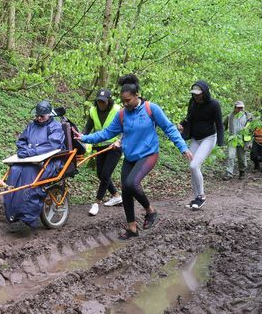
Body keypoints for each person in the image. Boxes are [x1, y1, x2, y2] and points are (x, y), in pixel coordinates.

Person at [75, 74, 193, 240]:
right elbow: (107, 133)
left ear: (137, 95)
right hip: (130, 156)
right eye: (123, 101)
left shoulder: (151, 109)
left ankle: (150, 211)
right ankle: (132, 228)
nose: (125, 104)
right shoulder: (123, 114)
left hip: (148, 154)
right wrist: (84, 137)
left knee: (131, 183)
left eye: (128, 100)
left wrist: (182, 147)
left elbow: (169, 128)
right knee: (126, 191)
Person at [3, 100, 66, 229]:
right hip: (30, 160)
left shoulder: (55, 127)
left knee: (29, 177)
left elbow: (53, 145)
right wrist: (23, 150)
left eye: (42, 116)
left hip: (50, 161)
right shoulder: (31, 126)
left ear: (49, 115)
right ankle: (13, 212)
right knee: (14, 171)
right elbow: (22, 141)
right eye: (37, 116)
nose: (39, 118)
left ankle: (27, 215)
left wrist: (31, 152)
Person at [179, 81, 224, 210]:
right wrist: (182, 124)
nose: (197, 97)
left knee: (194, 165)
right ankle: (196, 197)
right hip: (195, 138)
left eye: (199, 94)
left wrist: (221, 143)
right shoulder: (192, 103)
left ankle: (201, 196)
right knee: (192, 167)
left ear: (205, 93)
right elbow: (189, 118)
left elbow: (219, 124)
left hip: (209, 138)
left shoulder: (214, 104)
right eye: (194, 94)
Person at [83, 89, 123, 216]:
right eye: (99, 101)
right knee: (100, 174)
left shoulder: (117, 110)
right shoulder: (93, 110)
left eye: (103, 102)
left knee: (106, 174)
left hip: (114, 147)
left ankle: (96, 203)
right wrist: (81, 138)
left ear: (109, 101)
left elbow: (126, 127)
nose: (101, 104)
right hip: (99, 145)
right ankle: (116, 196)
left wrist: (120, 140)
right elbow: (88, 128)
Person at [222, 101, 252, 180]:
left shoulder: (248, 117)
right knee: (230, 156)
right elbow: (223, 127)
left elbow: (252, 129)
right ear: (234, 108)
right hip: (232, 139)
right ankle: (229, 174)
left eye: (241, 107)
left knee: (242, 158)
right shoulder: (229, 116)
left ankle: (242, 171)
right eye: (238, 107)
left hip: (243, 140)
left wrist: (250, 142)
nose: (240, 109)